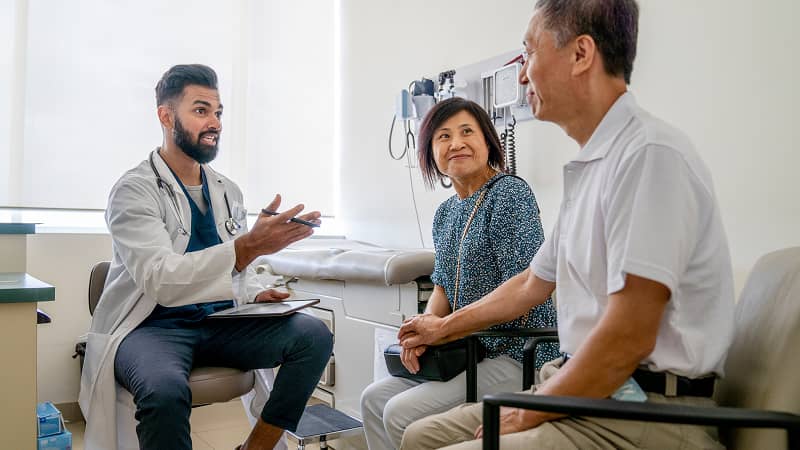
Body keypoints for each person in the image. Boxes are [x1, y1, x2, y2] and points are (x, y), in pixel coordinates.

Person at [397, 1, 735, 449]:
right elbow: (529, 285)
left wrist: (535, 407)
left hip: (642, 412)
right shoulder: (592, 166)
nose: (521, 76)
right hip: (586, 393)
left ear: (580, 55)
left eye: (529, 55)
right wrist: (441, 327)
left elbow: (628, 336)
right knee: (419, 436)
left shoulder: (650, 156)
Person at [78, 64, 333, 450]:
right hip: (149, 327)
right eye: (201, 111)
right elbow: (160, 279)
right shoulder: (134, 190)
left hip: (217, 322)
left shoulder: (227, 190)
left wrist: (253, 292)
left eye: (218, 112)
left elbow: (231, 267)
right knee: (164, 392)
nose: (214, 122)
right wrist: (249, 246)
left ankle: (257, 446)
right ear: (166, 116)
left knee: (313, 335)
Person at [360, 97, 558, 450]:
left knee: (399, 413)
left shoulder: (510, 194)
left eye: (467, 131)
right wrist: (422, 330)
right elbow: (442, 289)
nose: (456, 143)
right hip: (466, 351)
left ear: (487, 141)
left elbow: (526, 287)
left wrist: (442, 329)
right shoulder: (445, 214)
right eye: (443, 136)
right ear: (430, 152)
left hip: (515, 353)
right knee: (373, 400)